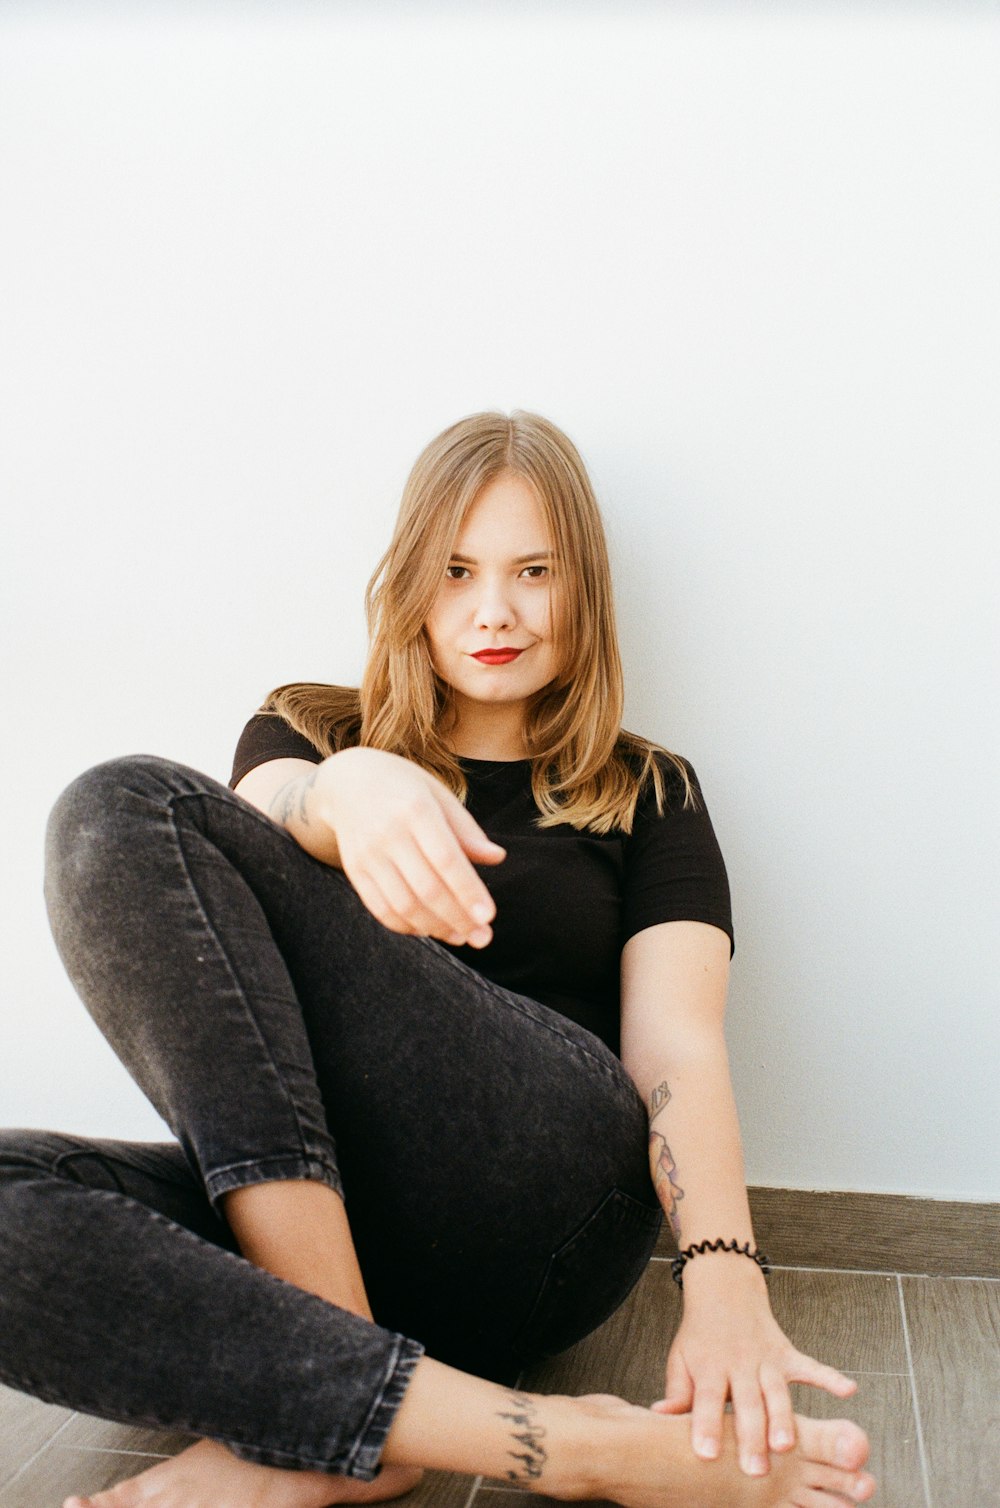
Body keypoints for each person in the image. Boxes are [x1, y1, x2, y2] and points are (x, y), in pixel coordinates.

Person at [0, 411, 876, 1508]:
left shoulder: (648, 789)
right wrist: (346, 782)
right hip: (339, 1232)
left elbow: (678, 1044)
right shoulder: (308, 727)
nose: (494, 608)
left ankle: (323, 1425)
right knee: (111, 825)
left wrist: (723, 1271)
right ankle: (471, 1427)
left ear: (581, 590)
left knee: (118, 803)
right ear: (412, 583)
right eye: (457, 569)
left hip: (545, 1202)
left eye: (533, 571)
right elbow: (235, 828)